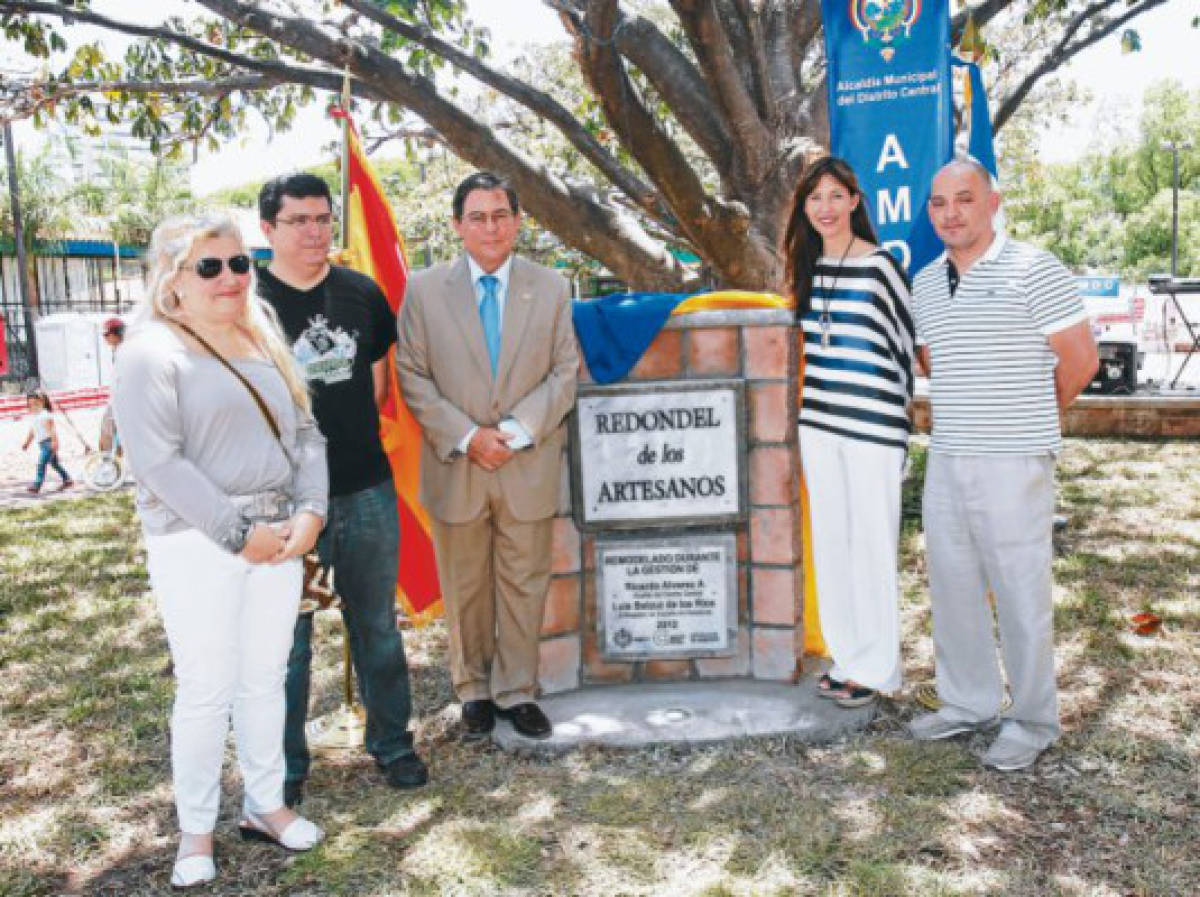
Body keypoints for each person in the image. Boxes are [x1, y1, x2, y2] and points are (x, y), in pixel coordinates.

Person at [112, 212, 328, 888]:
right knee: (206, 689)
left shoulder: (262, 339)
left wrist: (312, 511)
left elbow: (306, 433)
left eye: (239, 263)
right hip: (198, 543)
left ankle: (267, 804)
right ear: (173, 280)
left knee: (265, 678)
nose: (230, 277)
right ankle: (196, 831)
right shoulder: (150, 351)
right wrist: (240, 534)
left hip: (282, 536)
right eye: (210, 265)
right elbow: (160, 464)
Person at [907, 157, 1098, 771]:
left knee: (1020, 593)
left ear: (992, 203)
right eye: (939, 203)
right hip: (949, 455)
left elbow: (1080, 361)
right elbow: (936, 362)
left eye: (964, 199)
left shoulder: (1034, 268)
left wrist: (1026, 421)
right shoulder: (925, 283)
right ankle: (968, 703)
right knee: (953, 584)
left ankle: (1033, 719)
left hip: (1015, 460)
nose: (950, 213)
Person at [256, 173, 427, 803]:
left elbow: (382, 389)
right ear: (267, 229)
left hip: (364, 488)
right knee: (289, 641)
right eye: (298, 220)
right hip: (284, 501)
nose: (314, 231)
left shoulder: (361, 292)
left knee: (376, 625)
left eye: (323, 218)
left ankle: (393, 744)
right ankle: (287, 766)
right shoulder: (247, 303)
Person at [396, 171, 578, 740]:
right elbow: (412, 374)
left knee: (524, 582)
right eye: (477, 216)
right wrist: (470, 436)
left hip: (526, 463)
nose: (490, 226)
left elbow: (565, 371)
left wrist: (516, 432)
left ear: (518, 221)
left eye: (501, 215)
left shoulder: (551, 286)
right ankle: (473, 686)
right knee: (466, 583)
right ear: (457, 226)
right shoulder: (424, 290)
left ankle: (517, 690)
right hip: (458, 464)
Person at [781, 156, 915, 709]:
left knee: (871, 545)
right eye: (816, 198)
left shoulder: (881, 266)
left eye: (836, 196)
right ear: (804, 208)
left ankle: (879, 667)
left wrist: (900, 430)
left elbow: (906, 351)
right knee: (833, 544)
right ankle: (848, 657)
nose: (826, 208)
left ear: (855, 202)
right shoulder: (807, 267)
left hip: (873, 428)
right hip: (820, 425)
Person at [21, 390, 74, 494]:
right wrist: (27, 443)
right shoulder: (35, 417)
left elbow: (52, 430)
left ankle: (37, 485)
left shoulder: (45, 415)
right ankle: (67, 479)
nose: (33, 407)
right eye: (30, 405)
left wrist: (54, 442)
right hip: (42, 444)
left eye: (35, 404)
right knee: (54, 464)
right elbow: (32, 431)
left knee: (41, 464)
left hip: (48, 443)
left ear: (42, 402)